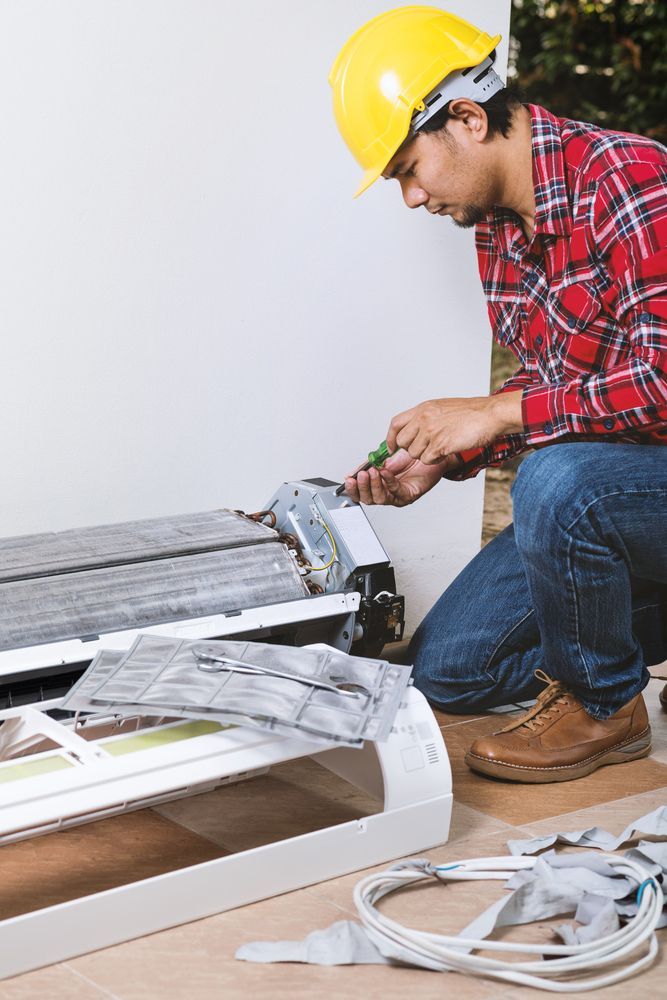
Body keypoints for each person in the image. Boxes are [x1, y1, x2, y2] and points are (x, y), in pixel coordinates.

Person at [329, 6, 667, 782]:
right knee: (450, 672)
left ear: (468, 119)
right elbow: (558, 389)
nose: (410, 198)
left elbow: (658, 380)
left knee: (559, 483)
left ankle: (604, 705)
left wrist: (492, 411)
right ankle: (614, 637)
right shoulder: (496, 229)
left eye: (407, 169)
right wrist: (456, 453)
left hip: (619, 487)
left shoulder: (631, 180)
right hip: (613, 497)